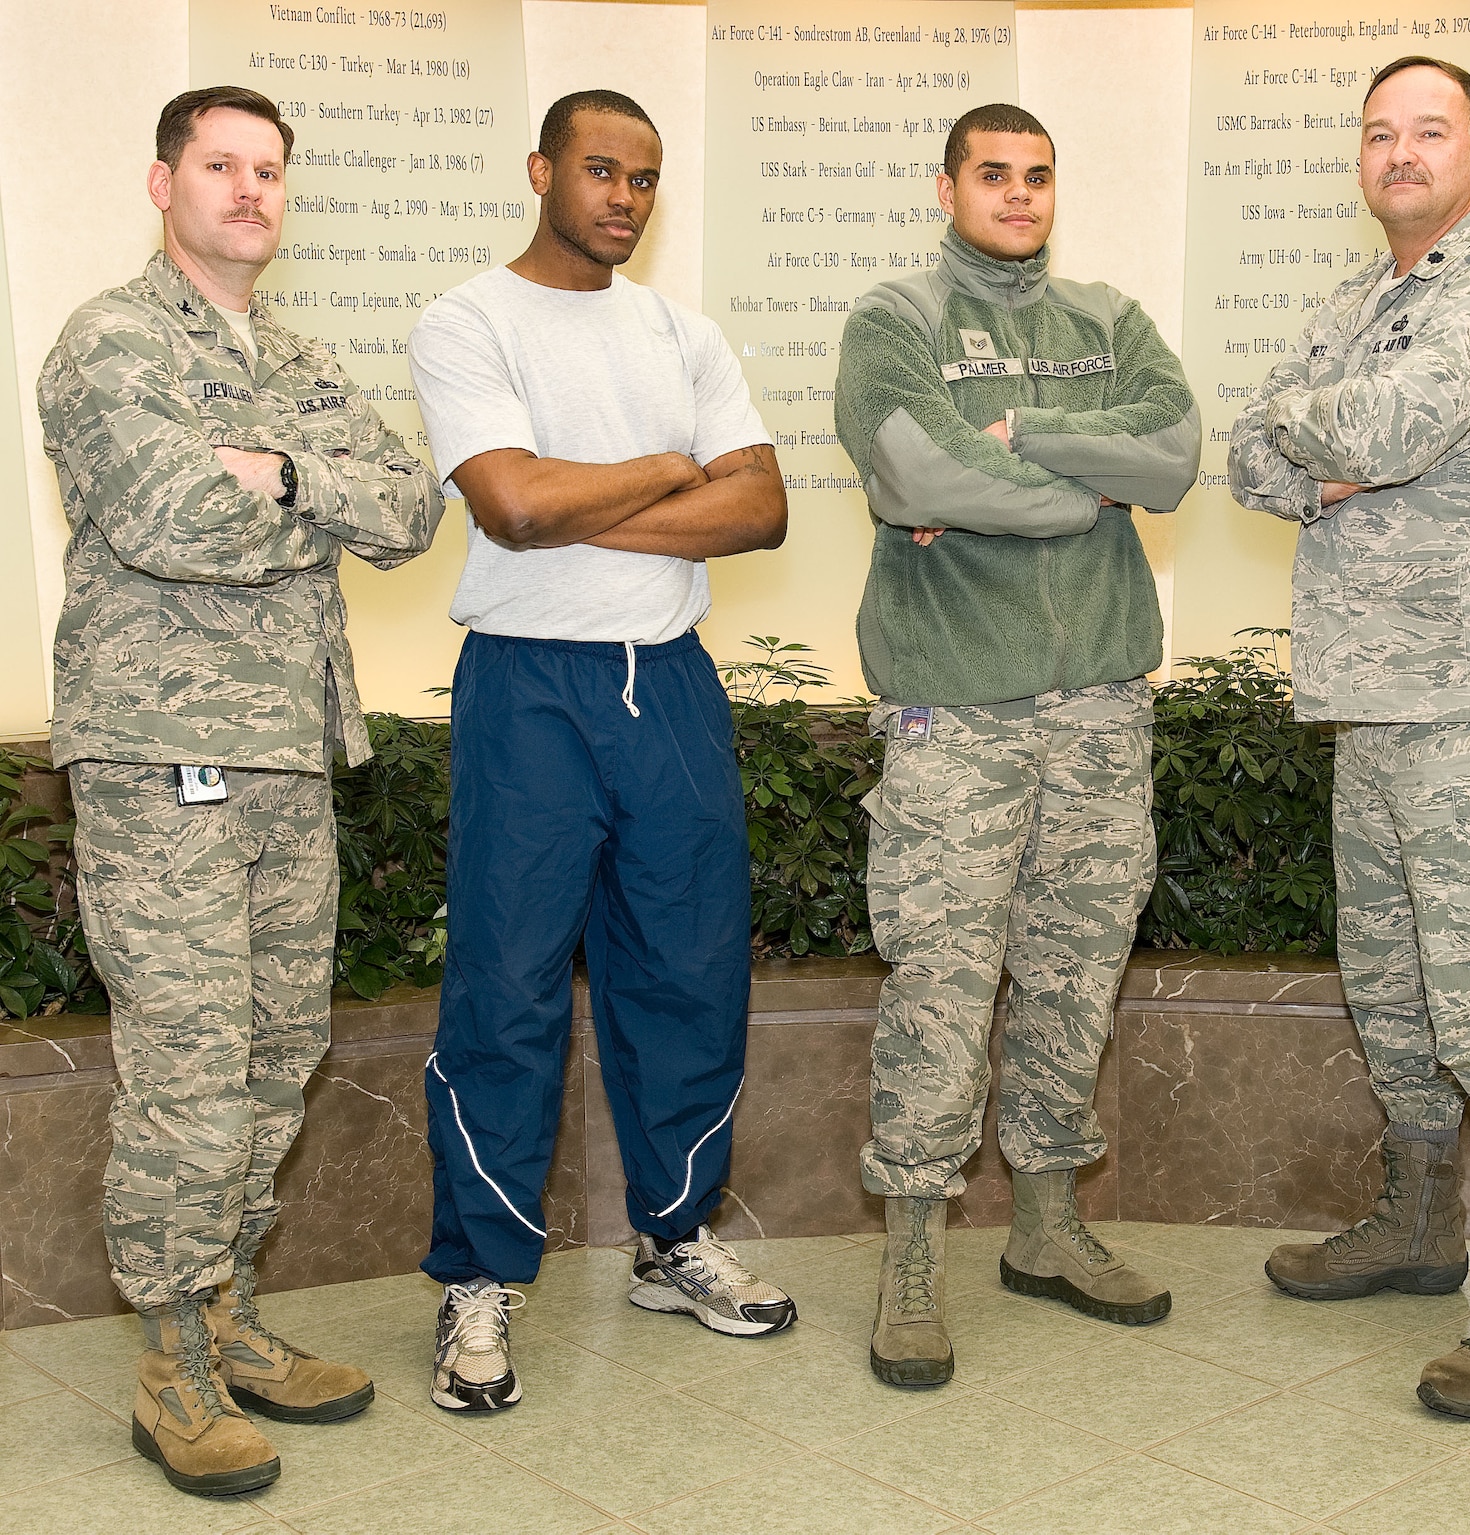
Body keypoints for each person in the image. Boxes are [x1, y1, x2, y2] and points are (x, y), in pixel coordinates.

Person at [38, 86, 444, 1496]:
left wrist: (272, 467)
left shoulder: (302, 356)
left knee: (278, 1054)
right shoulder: (110, 342)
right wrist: (301, 492)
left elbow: (408, 508)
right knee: (190, 1073)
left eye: (270, 169)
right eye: (222, 165)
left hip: (286, 753)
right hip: (162, 760)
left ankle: (225, 1313)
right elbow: (167, 517)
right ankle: (169, 1364)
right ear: (165, 184)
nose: (250, 189)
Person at [1229, 56, 1470, 1420]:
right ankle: (1419, 1221)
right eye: (1379, 133)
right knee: (1392, 993)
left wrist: (1331, 442)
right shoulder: (1355, 305)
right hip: (1379, 704)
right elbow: (1249, 462)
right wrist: (1317, 447)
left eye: (1427, 131)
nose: (1400, 153)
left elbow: (1388, 425)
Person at [406, 90, 792, 1414]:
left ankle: (671, 1236)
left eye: (644, 178)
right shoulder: (469, 320)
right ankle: (480, 1280)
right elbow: (508, 501)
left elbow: (764, 507)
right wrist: (667, 470)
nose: (623, 196)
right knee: (505, 990)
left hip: (670, 685)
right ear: (542, 171)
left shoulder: (682, 329)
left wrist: (584, 499)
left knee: (687, 974)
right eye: (599, 170)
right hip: (530, 689)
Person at [834, 102, 1199, 1387]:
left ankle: (1045, 1227)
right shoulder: (894, 320)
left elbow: (1172, 455)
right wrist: (1081, 495)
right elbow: (915, 479)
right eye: (993, 175)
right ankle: (914, 1254)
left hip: (1101, 706)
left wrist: (1029, 440)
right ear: (947, 188)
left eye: (1038, 176)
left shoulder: (1106, 321)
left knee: (1074, 972)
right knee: (940, 983)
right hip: (954, 709)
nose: (1018, 195)